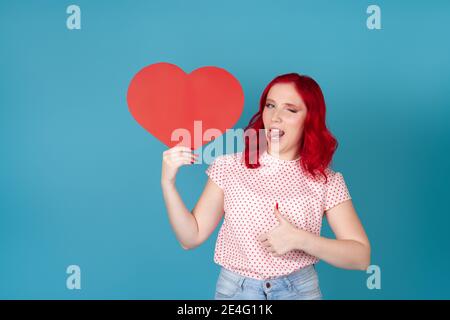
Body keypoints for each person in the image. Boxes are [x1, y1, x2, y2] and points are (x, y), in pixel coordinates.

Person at [161, 73, 371, 300]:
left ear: (309, 119)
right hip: (236, 292)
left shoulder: (326, 181)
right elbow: (190, 238)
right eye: (270, 106)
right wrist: (168, 183)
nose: (275, 117)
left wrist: (301, 240)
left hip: (299, 291)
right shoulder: (228, 166)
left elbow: (360, 257)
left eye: (290, 109)